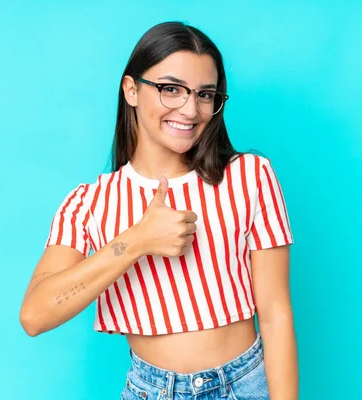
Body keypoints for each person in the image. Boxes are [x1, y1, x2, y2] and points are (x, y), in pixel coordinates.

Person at [19, 21, 298, 399]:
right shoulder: (87, 204)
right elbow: (35, 315)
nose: (190, 109)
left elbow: (276, 313)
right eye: (171, 89)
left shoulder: (250, 177)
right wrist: (135, 241)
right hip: (150, 390)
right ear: (131, 90)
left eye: (205, 94)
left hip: (242, 384)